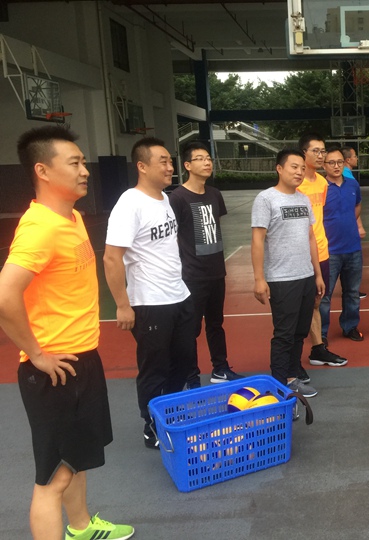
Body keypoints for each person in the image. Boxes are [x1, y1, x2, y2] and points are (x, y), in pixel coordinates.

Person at [0, 126, 133, 540]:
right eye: (74, 163)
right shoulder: (40, 228)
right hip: (54, 370)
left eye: (82, 162)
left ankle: (81, 527)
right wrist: (37, 354)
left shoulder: (71, 217)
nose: (85, 170)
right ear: (43, 170)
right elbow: (4, 296)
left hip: (81, 358)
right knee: (53, 478)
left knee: (76, 460)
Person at [104, 137, 196, 449]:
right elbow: (111, 258)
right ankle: (152, 426)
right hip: (150, 303)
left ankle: (169, 412)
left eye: (171, 161)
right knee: (155, 367)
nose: (170, 167)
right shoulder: (129, 204)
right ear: (142, 166)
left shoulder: (164, 199)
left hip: (178, 295)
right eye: (163, 162)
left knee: (183, 362)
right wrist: (122, 305)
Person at [251, 149, 325, 398]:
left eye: (302, 168)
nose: (299, 172)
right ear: (279, 169)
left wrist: (317, 275)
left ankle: (292, 378)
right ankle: (278, 386)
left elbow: (311, 238)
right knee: (284, 334)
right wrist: (259, 279)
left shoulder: (303, 199)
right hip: (281, 279)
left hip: (306, 276)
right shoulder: (266, 199)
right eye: (294, 167)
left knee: (300, 332)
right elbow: (257, 240)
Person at [169, 142, 242, 389]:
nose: (207, 162)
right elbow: (173, 237)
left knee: (216, 324)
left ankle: (220, 368)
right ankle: (191, 377)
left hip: (216, 272)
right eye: (200, 158)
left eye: (208, 158)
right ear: (187, 165)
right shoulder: (177, 198)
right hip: (192, 275)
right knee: (190, 330)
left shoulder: (214, 194)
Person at [297, 133, 349, 367]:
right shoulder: (296, 183)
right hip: (301, 254)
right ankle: (292, 357)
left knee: (317, 301)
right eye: (315, 151)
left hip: (322, 251)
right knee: (300, 305)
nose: (321, 155)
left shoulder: (321, 182)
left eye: (322, 151)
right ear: (304, 153)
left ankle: (317, 349)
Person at [318, 145, 363, 351]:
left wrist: (349, 223)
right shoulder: (321, 187)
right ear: (324, 165)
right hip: (329, 251)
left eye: (339, 162)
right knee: (325, 295)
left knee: (352, 292)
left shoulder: (353, 184)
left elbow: (357, 205)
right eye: (331, 163)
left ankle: (350, 326)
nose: (336, 166)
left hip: (353, 248)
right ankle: (321, 333)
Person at [342, 144, 368, 299]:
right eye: (355, 156)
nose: (356, 158)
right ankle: (351, 290)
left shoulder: (346, 175)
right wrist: (359, 225)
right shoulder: (348, 177)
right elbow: (352, 204)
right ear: (348, 159)